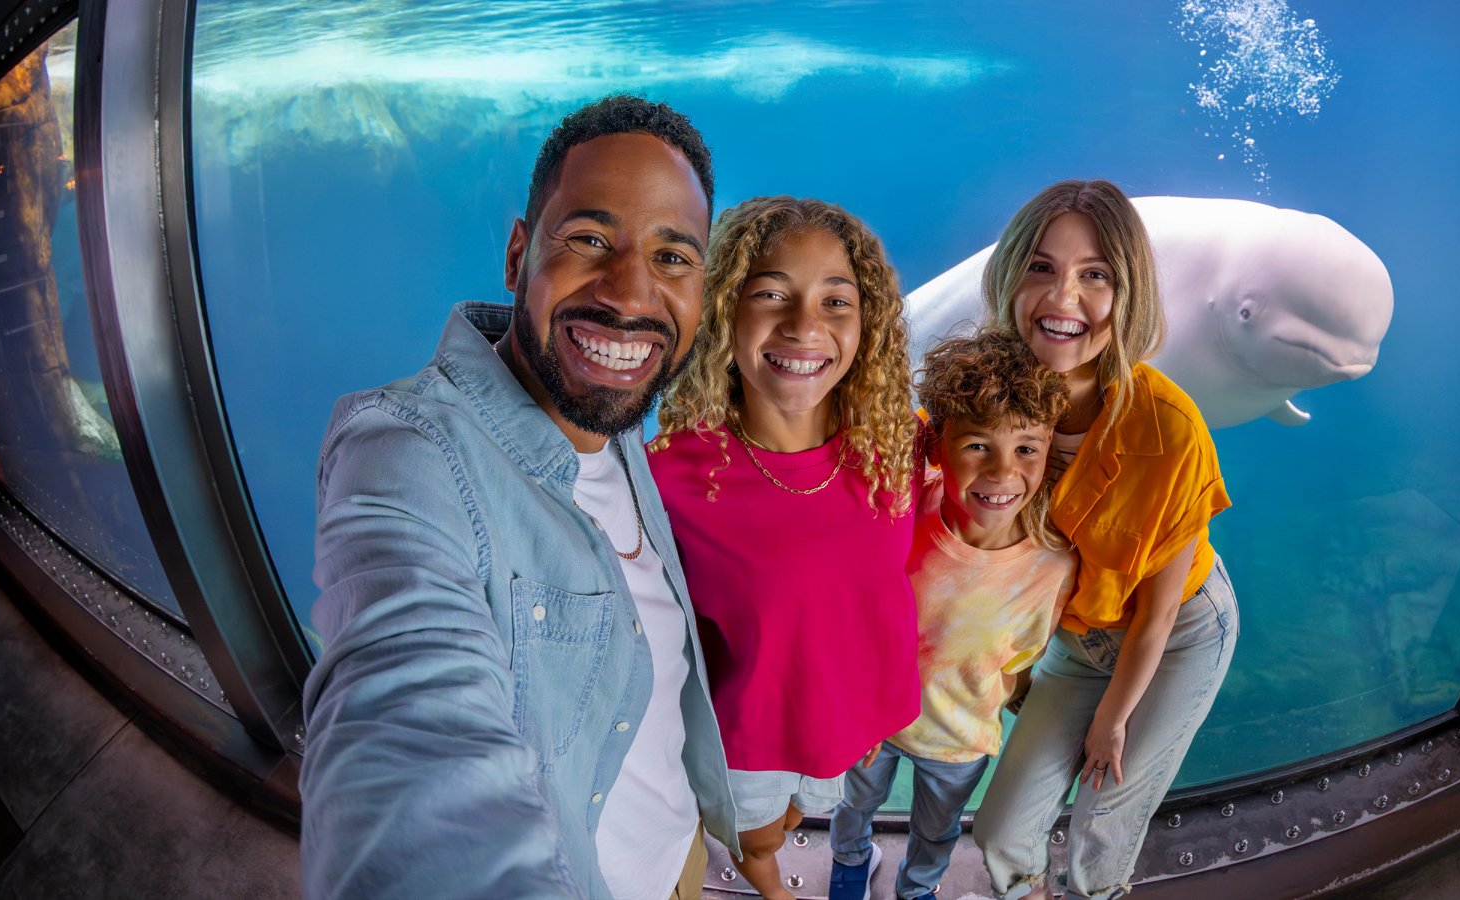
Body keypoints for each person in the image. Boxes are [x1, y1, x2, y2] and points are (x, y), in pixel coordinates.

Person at [299, 95, 738, 899]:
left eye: (674, 257)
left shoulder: (612, 411)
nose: (632, 293)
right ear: (516, 256)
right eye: (590, 239)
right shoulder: (403, 451)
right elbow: (406, 728)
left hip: (680, 861)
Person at [971, 179, 1239, 900]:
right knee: (998, 832)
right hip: (1080, 641)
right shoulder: (988, 403)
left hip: (1176, 630)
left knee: (1102, 817)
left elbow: (1154, 614)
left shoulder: (1170, 426)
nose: (1064, 299)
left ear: (1129, 295)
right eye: (1041, 268)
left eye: (1096, 276)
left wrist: (1112, 722)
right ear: (1008, 277)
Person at [649, 196, 921, 900]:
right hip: (747, 737)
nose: (805, 327)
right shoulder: (669, 475)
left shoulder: (898, 445)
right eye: (770, 294)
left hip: (851, 720)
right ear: (723, 310)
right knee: (760, 835)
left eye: (837, 301)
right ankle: (774, 891)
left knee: (813, 807)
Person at [828, 329, 1078, 900]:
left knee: (937, 831)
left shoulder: (1053, 565)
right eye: (977, 446)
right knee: (855, 801)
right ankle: (848, 863)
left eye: (1026, 449)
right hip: (875, 721)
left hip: (960, 739)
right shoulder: (905, 506)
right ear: (938, 444)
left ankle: (917, 890)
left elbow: (1022, 656)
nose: (1002, 473)